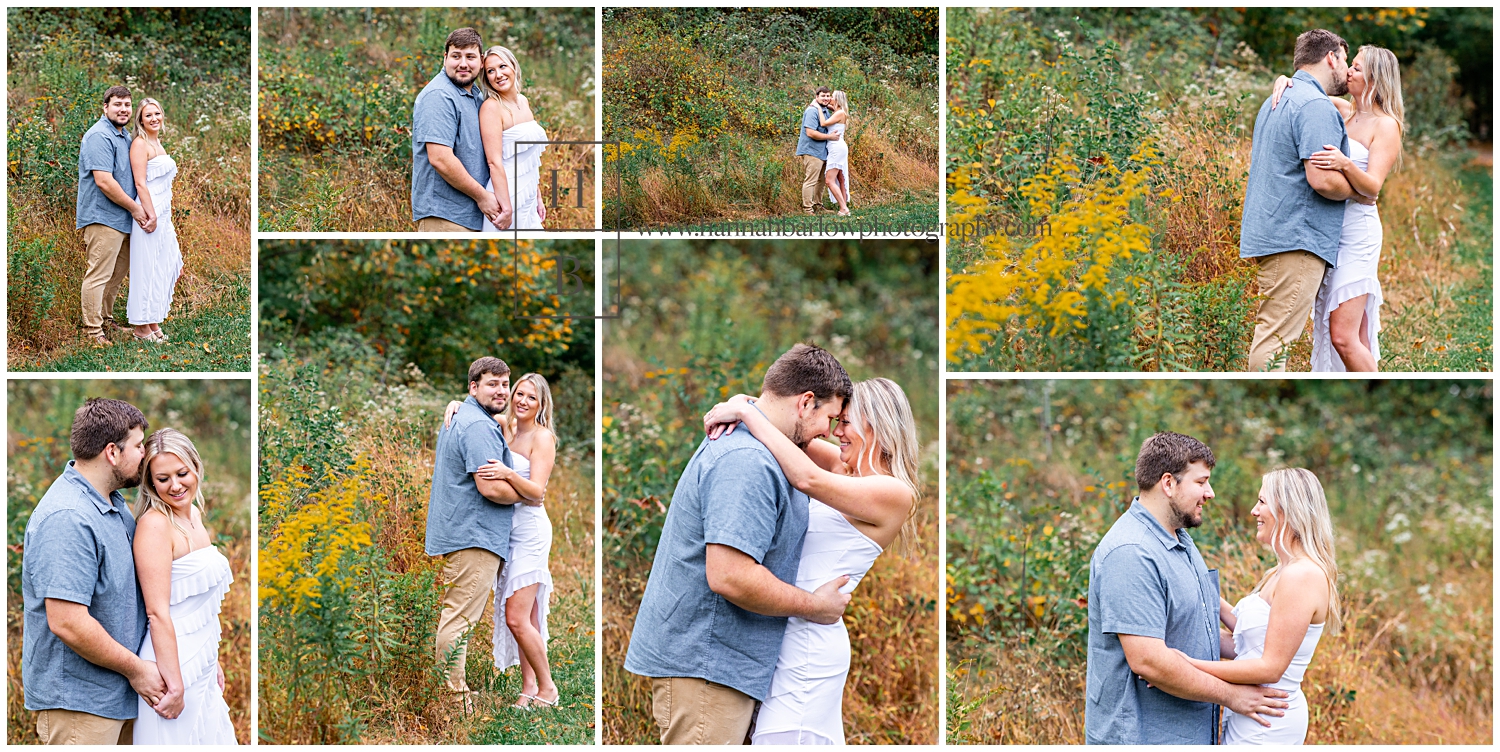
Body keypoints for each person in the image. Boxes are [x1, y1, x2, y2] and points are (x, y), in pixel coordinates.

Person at [624, 344, 854, 744]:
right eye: (830, 419)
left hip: (719, 662)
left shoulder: (768, 445)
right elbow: (731, 577)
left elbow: (842, 466)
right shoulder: (748, 461)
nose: (829, 433)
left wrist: (747, 405)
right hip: (706, 664)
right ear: (806, 402)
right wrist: (816, 606)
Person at [701, 377, 919, 744]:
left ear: (876, 424)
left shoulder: (894, 492)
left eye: (846, 422)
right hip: (781, 630)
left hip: (808, 647)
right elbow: (787, 430)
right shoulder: (844, 469)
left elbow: (805, 478)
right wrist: (747, 402)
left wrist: (745, 413)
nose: (837, 433)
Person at [1085, 432, 1291, 744]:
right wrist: (1232, 696)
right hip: (1143, 737)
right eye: (1201, 482)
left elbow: (1199, 631)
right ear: (1168, 483)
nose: (1210, 493)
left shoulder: (1179, 539)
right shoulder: (1131, 552)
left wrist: (1276, 645)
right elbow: (1148, 660)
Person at [21, 398, 164, 744]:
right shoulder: (68, 517)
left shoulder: (111, 501)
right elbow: (67, 621)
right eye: (138, 445)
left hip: (118, 697)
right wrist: (138, 670)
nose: (144, 453)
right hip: (80, 707)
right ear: (112, 453)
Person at [1181, 468, 1340, 744]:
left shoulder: (1302, 575)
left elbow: (1269, 668)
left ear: (1289, 509)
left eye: (1262, 502)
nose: (1254, 511)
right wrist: (1192, 585)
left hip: (1269, 719)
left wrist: (1188, 666)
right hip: (1253, 712)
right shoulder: (1282, 570)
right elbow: (1245, 642)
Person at [1271, 47, 1405, 372]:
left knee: (1343, 337)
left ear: (1374, 78)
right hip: (1330, 230)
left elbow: (1373, 187)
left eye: (1356, 69)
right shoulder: (1345, 111)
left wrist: (1344, 164)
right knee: (1349, 334)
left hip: (1358, 233)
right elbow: (1307, 90)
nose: (1348, 73)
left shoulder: (1386, 126)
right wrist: (1283, 80)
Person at [1239, 30, 1361, 371]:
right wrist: (1359, 192)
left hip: (1274, 232)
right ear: (1331, 57)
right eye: (1345, 61)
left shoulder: (1279, 99)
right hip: (1296, 237)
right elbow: (1321, 179)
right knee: (1275, 339)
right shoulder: (1314, 106)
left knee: (1273, 331)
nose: (1347, 71)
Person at [444, 373, 560, 708]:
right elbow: (473, 411)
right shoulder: (504, 425)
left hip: (530, 533)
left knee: (517, 617)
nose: (522, 401)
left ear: (541, 405)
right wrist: (454, 405)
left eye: (531, 398)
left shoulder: (543, 438)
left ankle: (548, 688)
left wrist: (509, 473)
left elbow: (537, 492)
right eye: (519, 394)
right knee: (527, 616)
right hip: (504, 531)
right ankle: (528, 689)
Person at [426, 357, 523, 707]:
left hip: (465, 532)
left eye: (504, 384)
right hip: (474, 535)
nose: (500, 390)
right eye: (491, 383)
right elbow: (490, 488)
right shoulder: (478, 427)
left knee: (458, 615)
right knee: (460, 619)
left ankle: (452, 694)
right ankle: (453, 704)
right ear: (473, 387)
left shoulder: (466, 417)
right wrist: (529, 493)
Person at [131, 428, 236, 744]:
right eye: (162, 479)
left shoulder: (193, 514)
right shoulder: (154, 526)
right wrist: (174, 686)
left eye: (182, 473)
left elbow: (196, 604)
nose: (175, 486)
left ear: (196, 468)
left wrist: (212, 659)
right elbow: (157, 612)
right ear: (151, 482)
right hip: (170, 668)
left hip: (201, 661)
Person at [78, 86, 150, 347]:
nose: (123, 109)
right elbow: (104, 182)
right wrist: (135, 208)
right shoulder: (99, 136)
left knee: (116, 275)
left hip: (123, 218)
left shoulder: (124, 136)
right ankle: (92, 333)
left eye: (127, 105)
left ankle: (106, 321)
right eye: (117, 104)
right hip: (102, 217)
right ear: (105, 107)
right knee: (98, 274)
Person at [412, 28, 501, 232]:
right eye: (455, 56)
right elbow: (440, 158)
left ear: (481, 60)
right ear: (445, 58)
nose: (463, 64)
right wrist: (483, 197)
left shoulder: (477, 97)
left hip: (473, 217)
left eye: (470, 56)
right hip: (445, 216)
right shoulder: (439, 95)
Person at [126, 98, 184, 343]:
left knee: (165, 265)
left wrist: (163, 217)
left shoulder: (156, 142)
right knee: (145, 269)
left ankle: (152, 321)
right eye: (148, 115)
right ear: (140, 119)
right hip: (149, 214)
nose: (154, 118)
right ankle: (141, 328)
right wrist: (151, 215)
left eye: (157, 113)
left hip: (164, 214)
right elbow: (140, 183)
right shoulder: (140, 144)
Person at [478, 45, 547, 231]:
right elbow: (493, 162)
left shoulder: (523, 101)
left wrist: (537, 197)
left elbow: (529, 159)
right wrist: (506, 208)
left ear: (513, 67)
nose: (498, 75)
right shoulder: (491, 108)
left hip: (529, 194)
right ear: (487, 79)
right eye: (490, 71)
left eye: (502, 67)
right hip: (506, 195)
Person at [796, 87, 844, 215]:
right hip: (812, 150)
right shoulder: (812, 111)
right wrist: (830, 137)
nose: (826, 98)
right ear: (816, 97)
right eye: (823, 96)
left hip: (823, 151)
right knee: (811, 180)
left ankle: (817, 205)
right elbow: (810, 132)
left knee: (821, 181)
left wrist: (826, 106)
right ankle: (808, 209)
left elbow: (837, 110)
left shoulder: (824, 110)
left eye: (828, 96)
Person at [818, 91, 852, 216]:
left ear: (837, 99)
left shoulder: (839, 113)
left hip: (836, 148)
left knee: (829, 180)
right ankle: (844, 207)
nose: (829, 98)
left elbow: (823, 123)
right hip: (838, 147)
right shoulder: (839, 111)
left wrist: (817, 108)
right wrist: (824, 104)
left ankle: (843, 209)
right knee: (840, 178)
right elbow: (831, 106)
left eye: (831, 96)